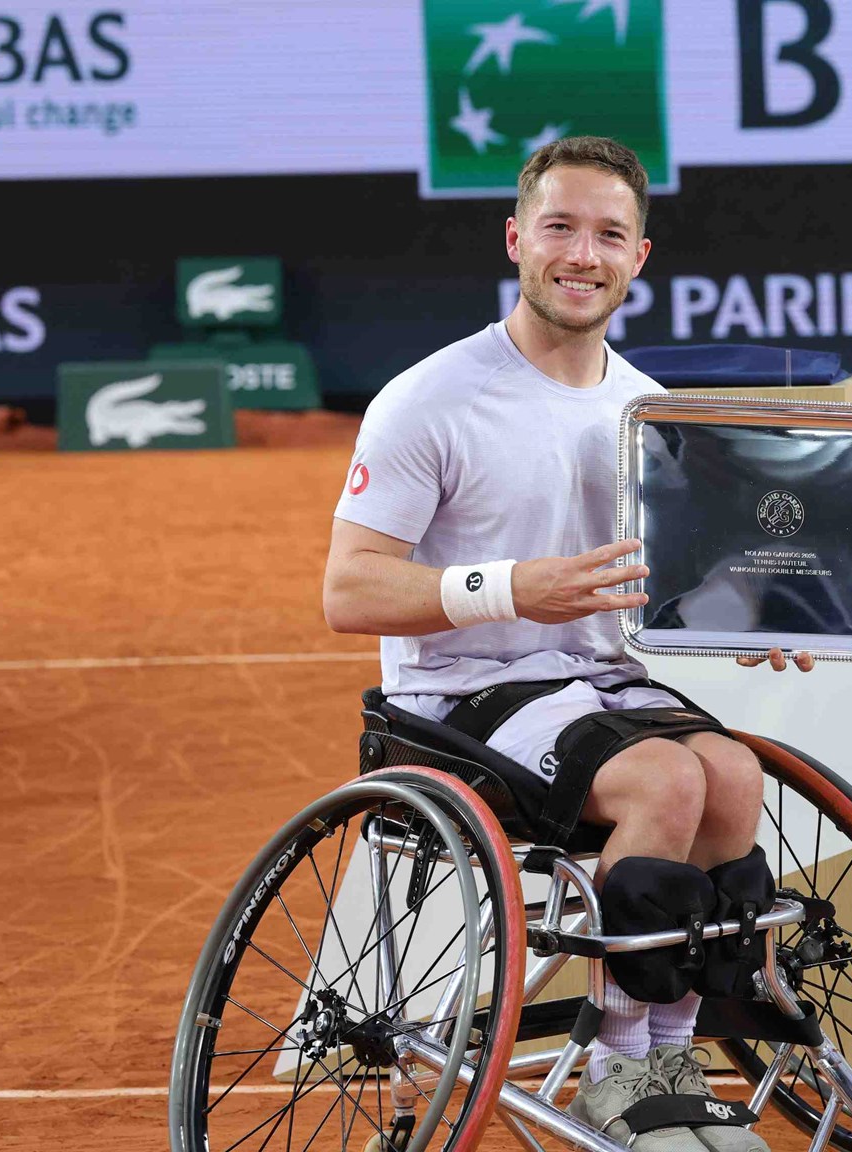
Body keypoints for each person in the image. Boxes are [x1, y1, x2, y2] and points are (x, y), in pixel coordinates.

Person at [324, 135, 809, 1152]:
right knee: (667, 785)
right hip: (455, 697)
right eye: (559, 228)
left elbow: (681, 577)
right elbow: (348, 588)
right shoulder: (430, 398)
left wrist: (762, 618)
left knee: (728, 773)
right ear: (515, 239)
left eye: (608, 235)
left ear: (640, 258)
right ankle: (614, 1080)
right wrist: (511, 589)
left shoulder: (644, 412)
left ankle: (668, 1064)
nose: (581, 254)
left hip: (594, 685)